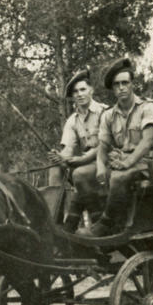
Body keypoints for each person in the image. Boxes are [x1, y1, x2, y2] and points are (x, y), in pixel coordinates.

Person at [76, 57, 153, 237]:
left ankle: (107, 224)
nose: (121, 87)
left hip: (147, 162)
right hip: (122, 161)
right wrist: (100, 165)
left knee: (117, 177)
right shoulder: (109, 115)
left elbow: (147, 141)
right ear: (113, 89)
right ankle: (99, 218)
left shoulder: (147, 106)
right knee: (80, 175)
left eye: (125, 83)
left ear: (132, 85)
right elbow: (103, 144)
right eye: (117, 84)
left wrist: (127, 162)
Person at [47, 70, 107, 232]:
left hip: (107, 162)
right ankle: (55, 223)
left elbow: (105, 145)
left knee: (80, 174)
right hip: (87, 165)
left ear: (91, 90)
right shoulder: (72, 121)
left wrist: (82, 159)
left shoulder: (105, 112)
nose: (79, 94)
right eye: (75, 92)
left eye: (83, 89)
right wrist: (59, 157)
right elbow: (67, 150)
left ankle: (99, 222)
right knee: (55, 169)